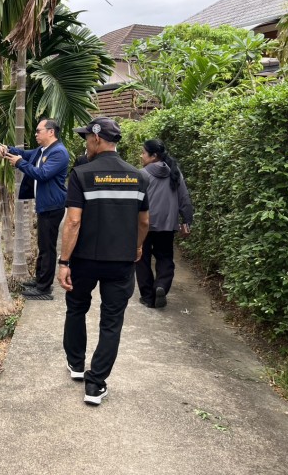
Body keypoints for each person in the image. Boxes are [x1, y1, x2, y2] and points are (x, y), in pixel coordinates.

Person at [56, 116, 149, 405]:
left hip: (84, 260)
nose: (86, 143)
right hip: (121, 261)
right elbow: (144, 221)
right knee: (111, 321)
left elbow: (73, 222)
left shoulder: (81, 174)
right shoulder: (138, 177)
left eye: (87, 138)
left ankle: (76, 364)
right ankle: (95, 385)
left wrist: (64, 261)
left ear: (96, 139)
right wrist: (137, 246)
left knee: (76, 309)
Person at [0, 118, 69, 300]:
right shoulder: (42, 150)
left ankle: (44, 289)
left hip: (53, 206)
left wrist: (20, 163)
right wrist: (7, 149)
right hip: (45, 205)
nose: (36, 134)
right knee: (43, 246)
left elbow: (42, 174)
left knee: (47, 247)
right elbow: (23, 153)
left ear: (51, 132)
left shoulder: (59, 152)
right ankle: (40, 280)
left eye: (39, 131)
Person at [136, 139, 194, 308]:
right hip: (167, 225)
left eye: (143, 153)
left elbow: (134, 201)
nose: (141, 156)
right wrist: (187, 221)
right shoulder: (174, 172)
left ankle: (148, 297)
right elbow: (184, 199)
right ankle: (161, 285)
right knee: (165, 257)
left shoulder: (142, 174)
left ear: (154, 156)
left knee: (142, 259)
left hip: (144, 224)